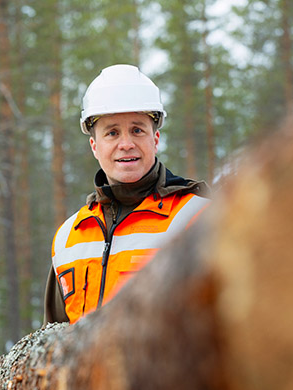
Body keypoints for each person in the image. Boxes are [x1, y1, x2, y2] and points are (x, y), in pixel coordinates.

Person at [44, 64, 211, 324]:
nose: (126, 144)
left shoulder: (198, 217)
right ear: (94, 146)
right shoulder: (68, 239)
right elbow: (50, 343)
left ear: (155, 139)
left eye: (137, 130)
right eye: (112, 132)